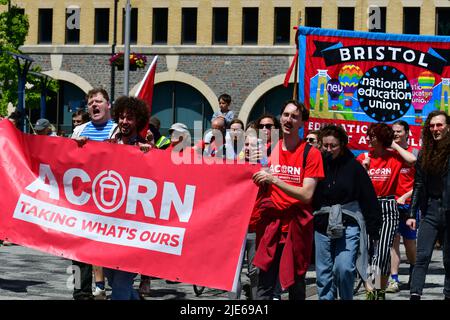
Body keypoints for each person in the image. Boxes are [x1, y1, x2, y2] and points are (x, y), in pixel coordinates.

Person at [251, 100, 324, 300]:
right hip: (270, 226)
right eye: (285, 115)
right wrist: (251, 165)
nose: (288, 119)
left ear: (302, 123)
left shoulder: (311, 153)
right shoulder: (266, 151)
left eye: (294, 116)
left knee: (296, 285)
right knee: (264, 285)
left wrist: (274, 179)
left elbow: (307, 194)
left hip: (296, 227)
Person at [312, 125, 381, 300]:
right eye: (325, 145)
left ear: (342, 144)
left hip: (348, 223)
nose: (328, 149)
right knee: (324, 273)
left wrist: (373, 228)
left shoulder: (354, 167)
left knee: (343, 268)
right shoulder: (317, 164)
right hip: (322, 224)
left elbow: (368, 198)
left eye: (333, 146)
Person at [356, 122, 416, 300]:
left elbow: (412, 160)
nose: (369, 139)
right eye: (369, 135)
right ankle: (372, 291)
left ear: (382, 138)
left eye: (373, 136)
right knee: (367, 252)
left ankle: (378, 288)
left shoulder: (394, 157)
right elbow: (356, 185)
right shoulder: (363, 157)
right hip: (368, 206)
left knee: (382, 253)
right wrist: (365, 170)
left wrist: (394, 144)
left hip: (389, 206)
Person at [70, 88, 118, 300]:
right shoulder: (79, 131)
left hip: (110, 200)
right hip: (83, 199)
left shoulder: (117, 130)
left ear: (108, 105)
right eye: (91, 103)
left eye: (98, 101)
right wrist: (75, 149)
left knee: (106, 249)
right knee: (75, 249)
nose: (94, 105)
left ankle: (110, 286)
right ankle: (79, 290)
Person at [104, 95, 151, 300]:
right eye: (122, 117)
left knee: (121, 284)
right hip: (107, 228)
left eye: (130, 117)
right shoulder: (107, 145)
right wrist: (82, 146)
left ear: (137, 120)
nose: (124, 121)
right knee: (112, 279)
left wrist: (151, 155)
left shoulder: (147, 149)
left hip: (133, 231)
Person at [408, 110, 450, 301]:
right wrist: (412, 213)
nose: (435, 129)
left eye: (439, 125)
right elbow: (418, 185)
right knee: (422, 255)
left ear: (448, 127)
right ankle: (415, 294)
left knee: (448, 259)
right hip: (431, 209)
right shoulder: (425, 153)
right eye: (432, 126)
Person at [387, 120, 419, 293]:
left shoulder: (414, 152)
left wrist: (405, 197)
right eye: (394, 131)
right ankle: (394, 280)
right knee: (393, 242)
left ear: (407, 133)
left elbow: (420, 184)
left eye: (399, 131)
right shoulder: (388, 154)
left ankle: (415, 271)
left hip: (409, 206)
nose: (396, 134)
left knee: (409, 244)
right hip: (392, 205)